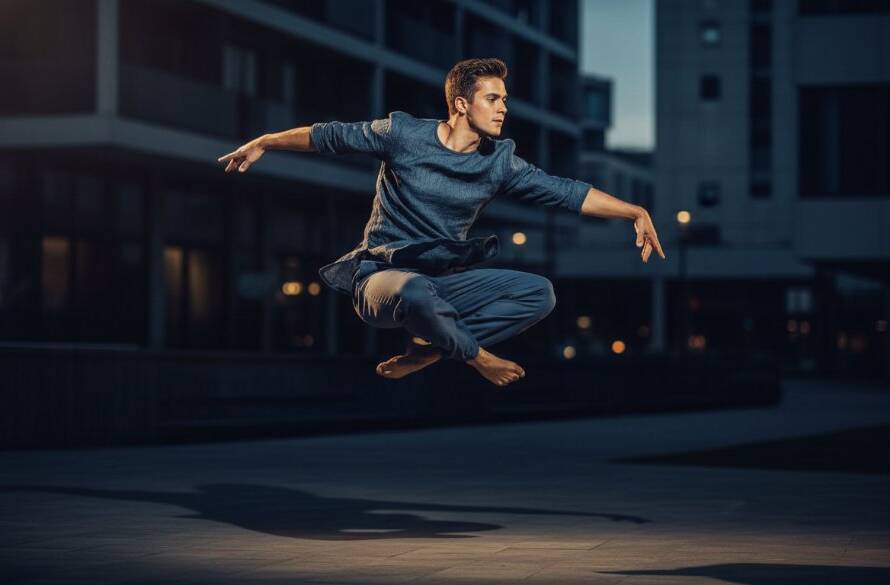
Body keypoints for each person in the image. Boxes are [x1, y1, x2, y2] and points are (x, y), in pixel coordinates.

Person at [218, 58, 665, 387]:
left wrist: (635, 211)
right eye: (492, 99)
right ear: (460, 103)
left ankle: (430, 352)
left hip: (442, 286)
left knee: (538, 293)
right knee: (413, 290)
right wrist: (266, 141)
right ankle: (473, 356)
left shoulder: (501, 162)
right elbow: (328, 135)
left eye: (505, 100)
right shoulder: (402, 134)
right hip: (382, 281)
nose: (502, 109)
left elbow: (567, 191)